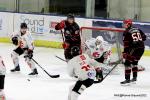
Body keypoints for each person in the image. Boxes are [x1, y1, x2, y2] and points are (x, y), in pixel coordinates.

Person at [120, 19, 146, 85]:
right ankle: (134, 78)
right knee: (135, 62)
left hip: (134, 49)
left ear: (128, 24)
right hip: (142, 48)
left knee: (127, 63)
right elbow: (144, 37)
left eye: (125, 24)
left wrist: (125, 52)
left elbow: (126, 44)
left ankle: (127, 79)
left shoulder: (126, 32)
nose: (124, 25)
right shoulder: (137, 29)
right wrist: (138, 41)